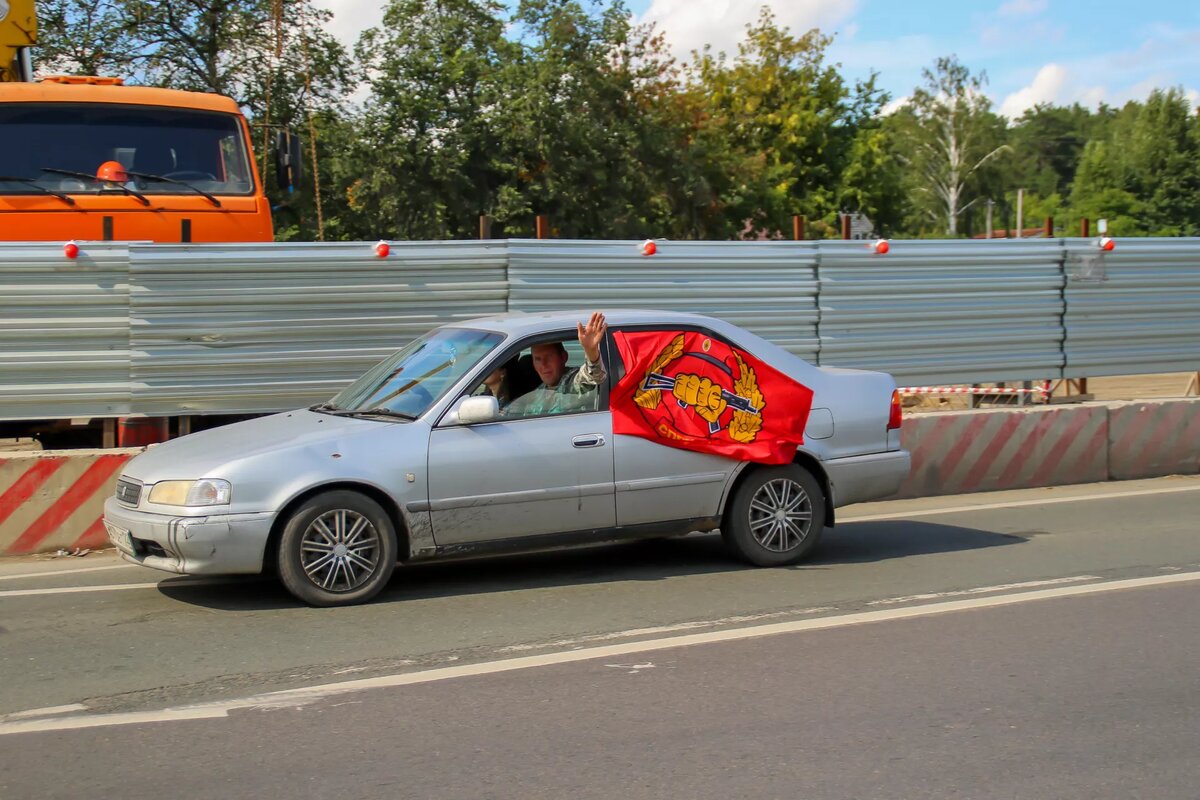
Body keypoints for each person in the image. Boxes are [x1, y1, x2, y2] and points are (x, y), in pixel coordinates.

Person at [505, 312, 608, 417]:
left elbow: (594, 376)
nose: (544, 365)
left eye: (549, 357)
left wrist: (590, 351)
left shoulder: (572, 383)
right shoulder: (536, 395)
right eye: (538, 359)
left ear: (563, 357)